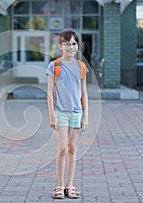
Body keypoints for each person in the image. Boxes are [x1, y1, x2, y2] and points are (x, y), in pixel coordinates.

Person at [46, 29, 88, 199]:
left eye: (73, 44)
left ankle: (70, 186)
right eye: (66, 44)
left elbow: (84, 93)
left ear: (77, 45)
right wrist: (51, 114)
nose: (70, 47)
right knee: (62, 149)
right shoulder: (54, 66)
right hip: (61, 113)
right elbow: (49, 92)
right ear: (60, 46)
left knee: (73, 149)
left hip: (76, 113)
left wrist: (86, 116)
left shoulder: (81, 66)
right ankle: (59, 185)